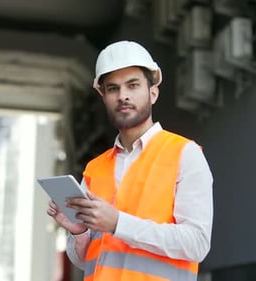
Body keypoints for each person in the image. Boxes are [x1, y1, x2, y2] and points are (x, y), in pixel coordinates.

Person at [47, 40, 213, 281]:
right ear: (103, 96)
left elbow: (196, 243)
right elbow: (85, 260)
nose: (123, 96)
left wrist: (117, 223)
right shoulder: (95, 169)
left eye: (132, 85)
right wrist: (80, 231)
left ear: (153, 93)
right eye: (113, 88)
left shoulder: (185, 154)